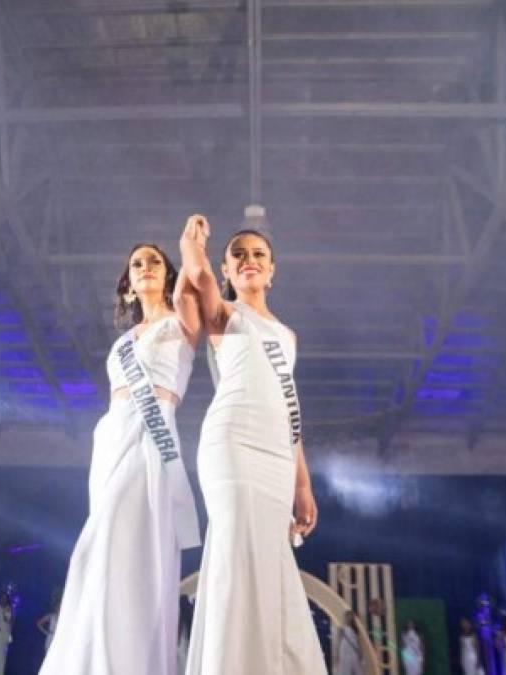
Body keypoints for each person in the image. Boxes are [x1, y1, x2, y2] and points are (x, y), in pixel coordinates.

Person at [38, 242, 202, 675]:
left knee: (125, 546)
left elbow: (197, 276)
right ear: (127, 284)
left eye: (154, 262)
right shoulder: (124, 341)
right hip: (112, 437)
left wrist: (190, 242)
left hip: (153, 437)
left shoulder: (182, 320)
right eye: (136, 263)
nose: (146, 267)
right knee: (103, 551)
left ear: (168, 275)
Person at [180, 217, 325, 674]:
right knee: (237, 551)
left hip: (278, 457)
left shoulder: (289, 336)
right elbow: (197, 276)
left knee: (272, 561)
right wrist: (192, 243)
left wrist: (303, 484)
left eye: (258, 254)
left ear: (272, 270)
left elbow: (290, 411)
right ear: (226, 269)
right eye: (238, 254)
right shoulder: (224, 314)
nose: (249, 260)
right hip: (233, 443)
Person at [334, 610, 363, 675]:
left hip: (352, 654)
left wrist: (360, 652)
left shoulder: (355, 630)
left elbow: (358, 643)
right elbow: (338, 643)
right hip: (346, 654)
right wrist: (336, 655)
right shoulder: (342, 629)